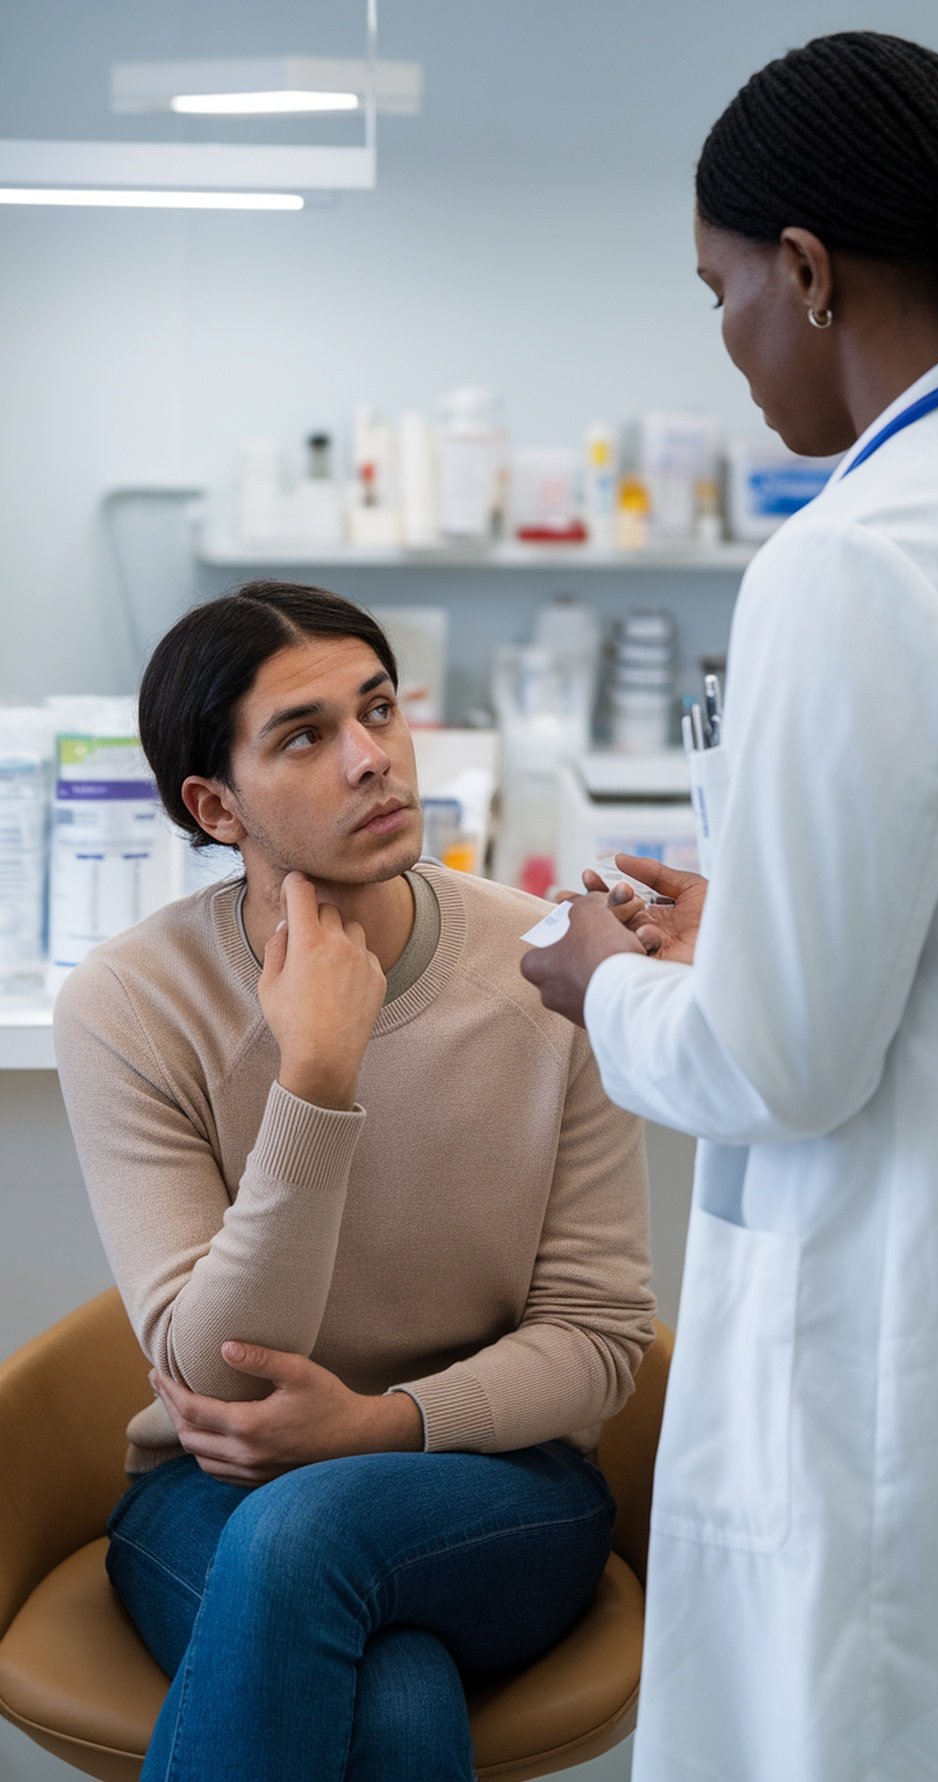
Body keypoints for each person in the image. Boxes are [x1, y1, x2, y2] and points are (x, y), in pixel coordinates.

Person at [521, 31, 938, 1782]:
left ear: (804, 271)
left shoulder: (853, 556)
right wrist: (760, 911)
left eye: (721, 291)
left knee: (853, 1721)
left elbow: (784, 1066)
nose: (725, 349)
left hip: (884, 1341)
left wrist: (600, 982)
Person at [53, 579, 655, 1782]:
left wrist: (380, 1426)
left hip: (497, 1488)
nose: (373, 759)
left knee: (308, 1529)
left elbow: (598, 1338)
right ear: (214, 806)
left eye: (378, 710)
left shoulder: (555, 972)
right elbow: (213, 1369)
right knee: (390, 1702)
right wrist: (314, 1079)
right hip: (210, 1490)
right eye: (307, 736)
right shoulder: (131, 1003)